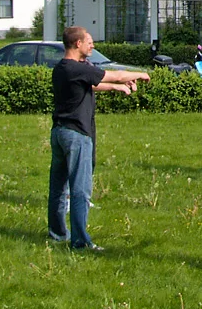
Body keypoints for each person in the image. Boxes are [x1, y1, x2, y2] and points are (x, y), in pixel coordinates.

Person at [48, 26, 150, 251]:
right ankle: (80, 242)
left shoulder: (63, 68)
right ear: (77, 44)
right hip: (76, 135)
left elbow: (93, 84)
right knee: (80, 190)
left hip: (59, 132)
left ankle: (57, 234)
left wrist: (116, 88)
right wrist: (139, 74)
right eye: (89, 41)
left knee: (58, 187)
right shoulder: (76, 68)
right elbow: (115, 74)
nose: (92, 45)